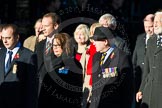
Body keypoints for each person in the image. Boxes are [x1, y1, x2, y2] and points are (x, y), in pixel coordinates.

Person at [89, 26, 133, 108]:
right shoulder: (96, 56)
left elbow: (127, 89)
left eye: (96, 40)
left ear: (105, 41)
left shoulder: (122, 57)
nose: (93, 43)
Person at [38, 33, 83, 108]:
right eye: (53, 45)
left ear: (65, 45)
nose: (54, 48)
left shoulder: (72, 63)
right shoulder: (49, 61)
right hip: (47, 101)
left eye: (57, 45)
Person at [0, 24, 38, 108]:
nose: (5, 41)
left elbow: (31, 85)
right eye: (3, 38)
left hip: (18, 103)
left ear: (17, 37)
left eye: (8, 38)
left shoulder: (28, 55)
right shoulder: (1, 53)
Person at [136, 11, 162, 108]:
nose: (155, 24)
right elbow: (146, 70)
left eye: (158, 21)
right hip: (149, 92)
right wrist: (141, 89)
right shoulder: (151, 41)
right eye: (154, 21)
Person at [35, 12, 61, 106]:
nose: (42, 28)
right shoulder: (40, 45)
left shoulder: (65, 43)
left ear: (55, 25)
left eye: (46, 26)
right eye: (42, 25)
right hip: (39, 91)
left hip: (56, 92)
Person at [132, 14, 154, 108]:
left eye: (150, 26)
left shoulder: (158, 41)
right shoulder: (140, 38)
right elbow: (134, 58)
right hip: (138, 78)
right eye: (146, 27)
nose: (148, 29)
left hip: (150, 79)